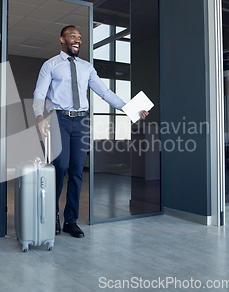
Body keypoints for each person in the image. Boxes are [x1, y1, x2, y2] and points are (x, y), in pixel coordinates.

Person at [33, 25, 149, 238]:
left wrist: (131, 109)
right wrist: (39, 117)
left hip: (81, 122)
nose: (77, 40)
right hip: (59, 119)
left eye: (79, 37)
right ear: (62, 39)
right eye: (72, 36)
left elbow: (105, 92)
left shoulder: (87, 68)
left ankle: (71, 220)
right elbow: (40, 92)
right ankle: (52, 216)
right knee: (60, 166)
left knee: (77, 171)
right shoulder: (50, 65)